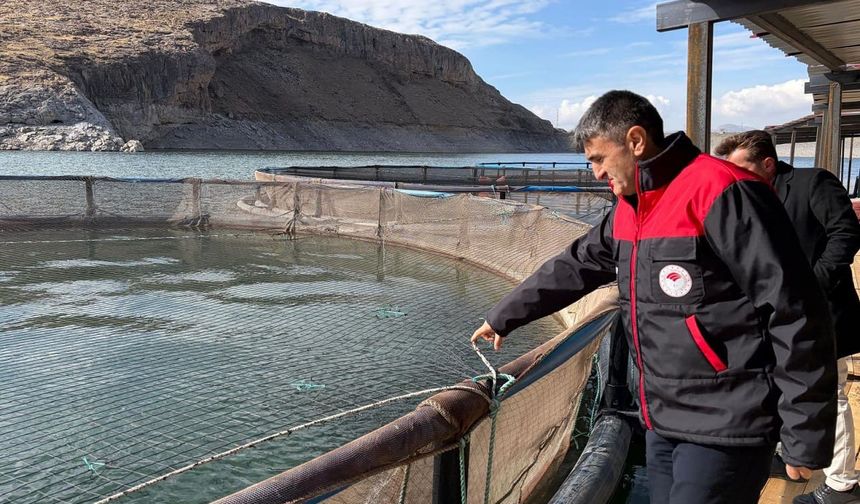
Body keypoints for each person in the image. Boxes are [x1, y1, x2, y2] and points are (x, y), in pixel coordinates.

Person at [470, 90, 837, 504]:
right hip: (661, 420)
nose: (594, 173)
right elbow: (577, 265)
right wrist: (505, 315)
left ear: (636, 141)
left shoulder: (722, 190)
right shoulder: (629, 208)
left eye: (598, 159)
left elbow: (795, 308)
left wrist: (805, 432)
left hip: (728, 422)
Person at [716, 131, 860, 504]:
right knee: (781, 387)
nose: (735, 177)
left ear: (768, 163)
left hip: (825, 315)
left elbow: (845, 234)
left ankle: (842, 483)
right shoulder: (746, 198)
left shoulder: (814, 183)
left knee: (829, 395)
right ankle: (794, 455)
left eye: (742, 168)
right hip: (771, 320)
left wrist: (811, 287)